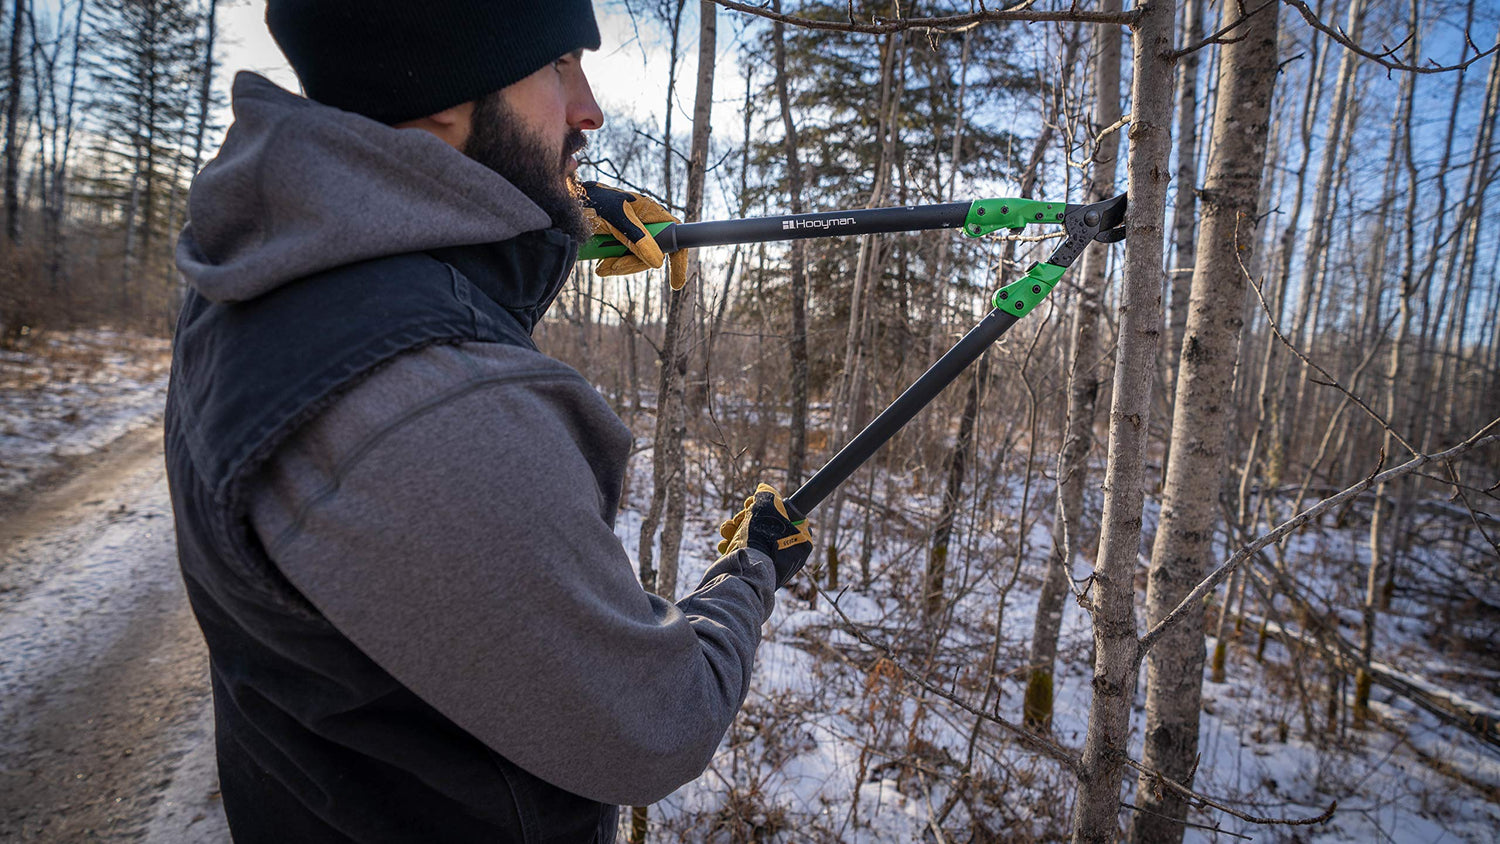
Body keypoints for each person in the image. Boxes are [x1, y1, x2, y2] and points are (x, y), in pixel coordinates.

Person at [162, 1, 813, 841]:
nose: (589, 109)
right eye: (558, 64)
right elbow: (662, 722)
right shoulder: (436, 418)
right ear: (442, 86)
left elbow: (418, 296)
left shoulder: (258, 267)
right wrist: (750, 569)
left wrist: (546, 217)